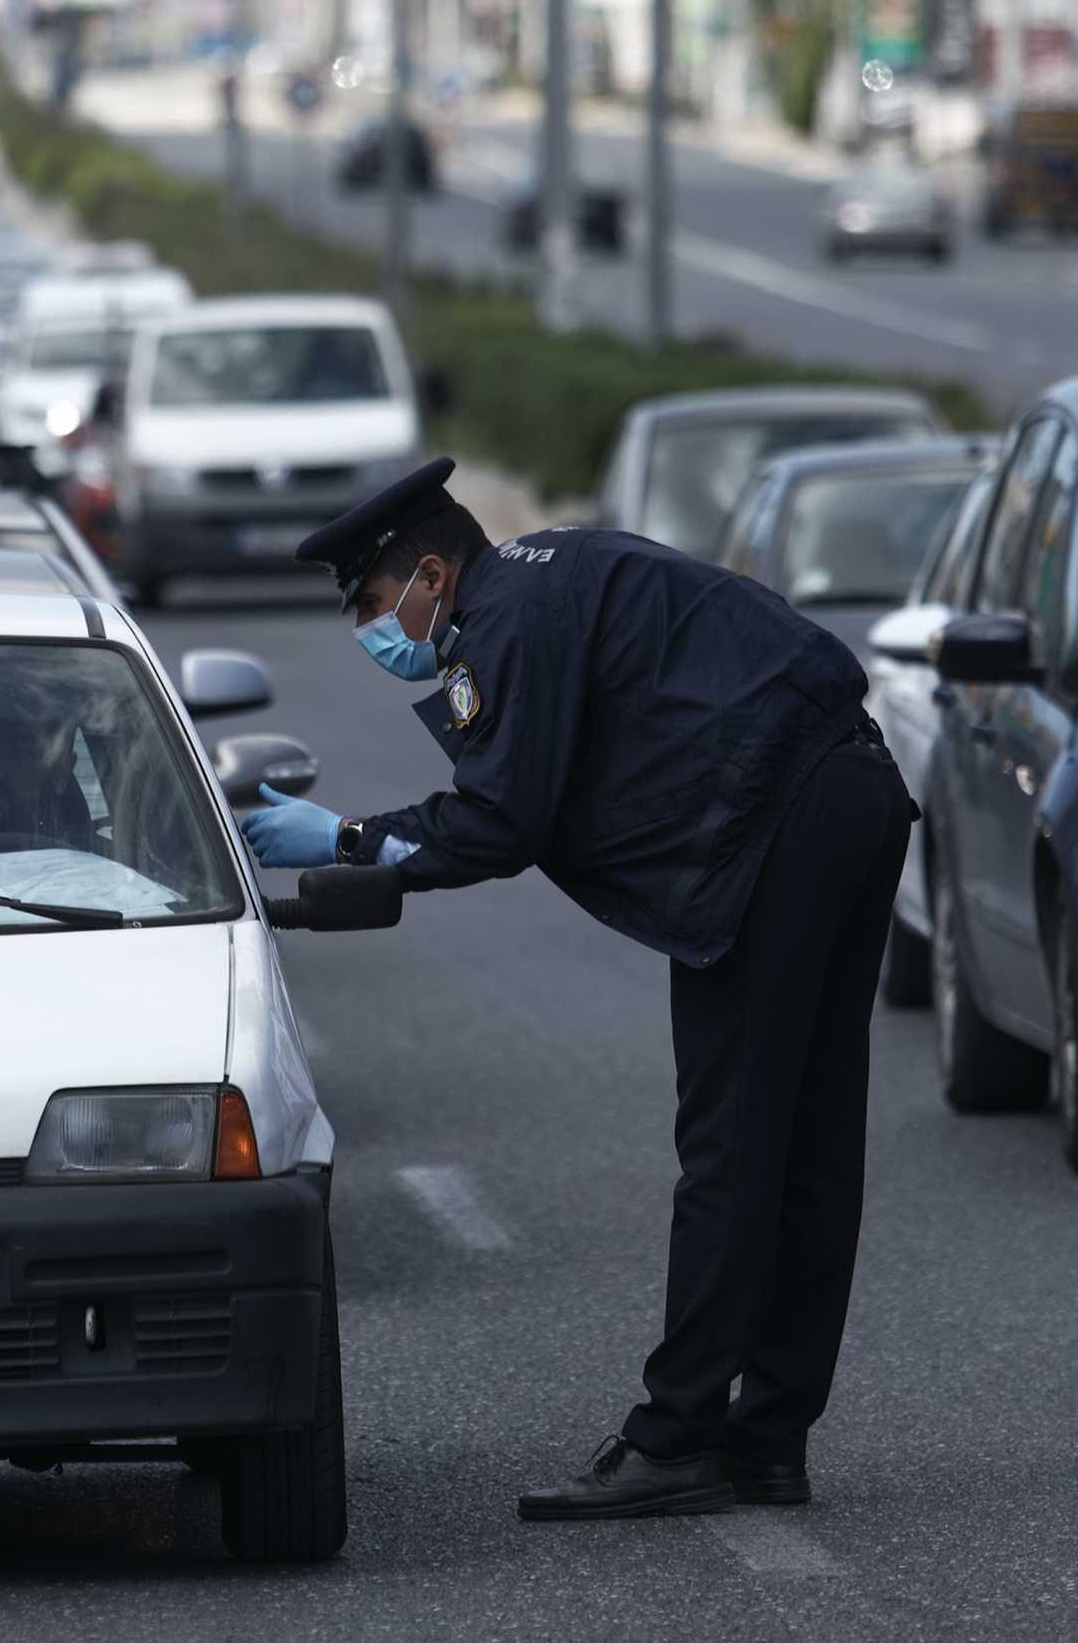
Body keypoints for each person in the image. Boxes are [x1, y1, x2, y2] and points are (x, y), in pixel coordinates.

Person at [242, 459, 916, 1520]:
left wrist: (349, 839)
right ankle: (768, 1439)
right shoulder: (549, 573)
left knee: (732, 1150)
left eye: (375, 606)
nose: (376, 637)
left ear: (430, 571)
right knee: (807, 1148)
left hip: (779, 836)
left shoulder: (506, 619)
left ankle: (681, 1437)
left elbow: (502, 819)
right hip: (849, 797)